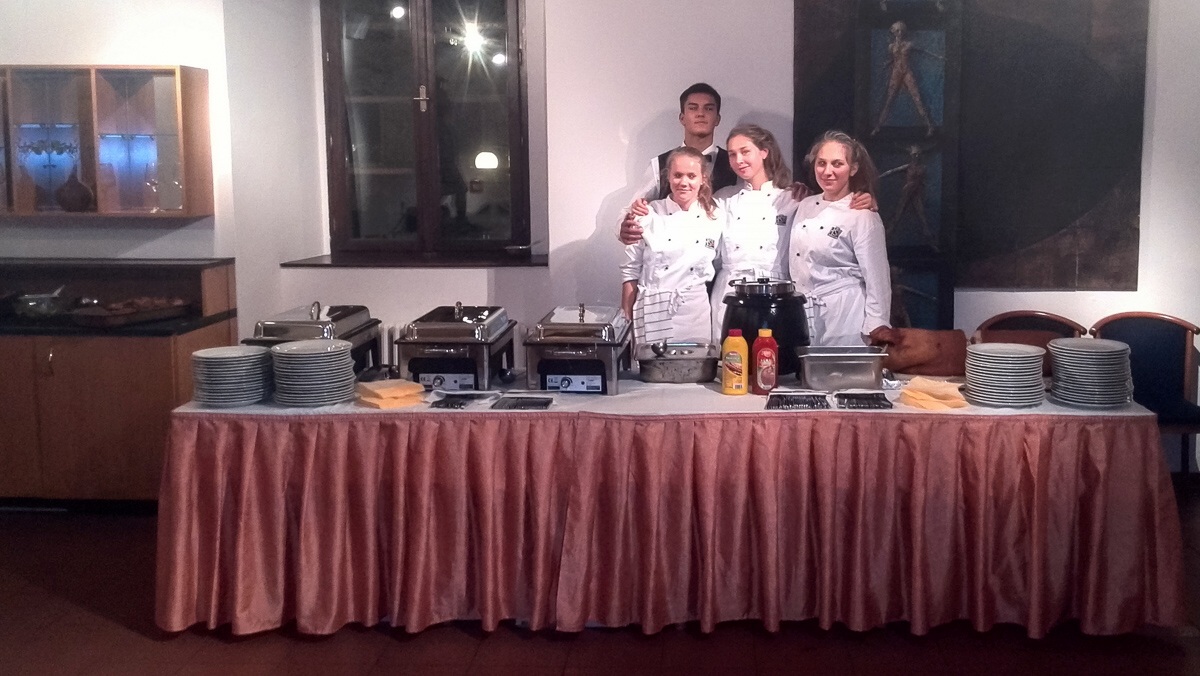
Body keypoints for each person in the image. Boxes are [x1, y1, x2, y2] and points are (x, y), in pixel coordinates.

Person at [788, 130, 892, 346]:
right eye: (821, 163)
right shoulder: (805, 205)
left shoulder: (862, 214)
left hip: (847, 314)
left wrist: (876, 325)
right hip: (804, 312)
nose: (828, 172)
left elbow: (877, 277)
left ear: (853, 168)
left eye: (837, 164)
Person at [620, 147, 723, 345]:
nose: (684, 182)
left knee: (695, 363)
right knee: (651, 364)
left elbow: (719, 262)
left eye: (691, 176)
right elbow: (630, 271)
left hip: (695, 312)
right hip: (653, 310)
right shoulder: (646, 214)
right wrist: (625, 321)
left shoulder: (716, 217)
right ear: (668, 177)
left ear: (703, 178)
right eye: (677, 175)